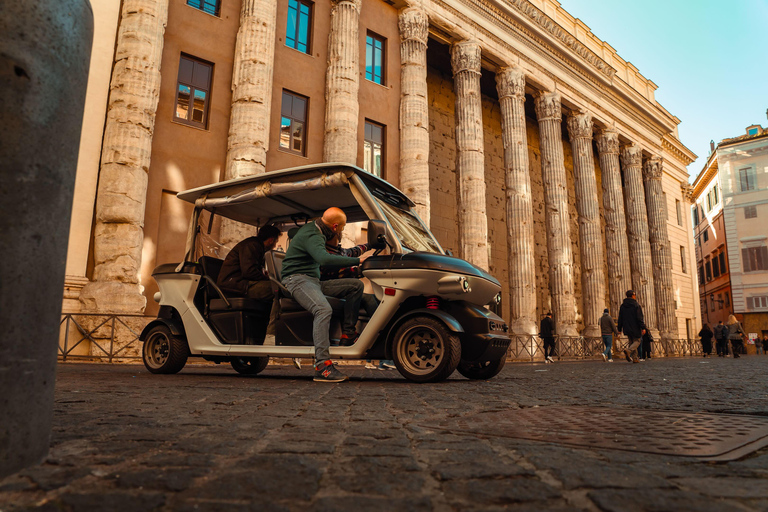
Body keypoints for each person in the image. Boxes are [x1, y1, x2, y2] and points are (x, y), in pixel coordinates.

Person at [281, 207, 365, 383]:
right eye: (342, 228)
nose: (341, 232)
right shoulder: (314, 234)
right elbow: (324, 259)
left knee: (355, 286)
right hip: (297, 280)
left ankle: (348, 334)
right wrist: (358, 261)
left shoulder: (317, 230)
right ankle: (322, 366)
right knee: (323, 309)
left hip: (313, 281)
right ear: (335, 226)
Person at [217, 225, 281, 334]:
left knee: (276, 287)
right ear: (271, 240)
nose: (275, 245)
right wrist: (267, 278)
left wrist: (263, 273)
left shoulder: (256, 246)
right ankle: (272, 332)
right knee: (277, 289)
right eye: (275, 242)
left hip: (242, 283)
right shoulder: (252, 245)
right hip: (236, 285)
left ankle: (266, 328)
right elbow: (249, 272)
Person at [617, 290, 646, 364]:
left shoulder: (623, 306)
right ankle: (629, 351)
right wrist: (643, 327)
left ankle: (635, 358)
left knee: (631, 341)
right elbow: (639, 318)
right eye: (635, 294)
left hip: (626, 326)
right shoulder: (636, 305)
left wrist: (619, 329)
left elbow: (620, 318)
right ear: (633, 295)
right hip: (635, 326)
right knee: (637, 341)